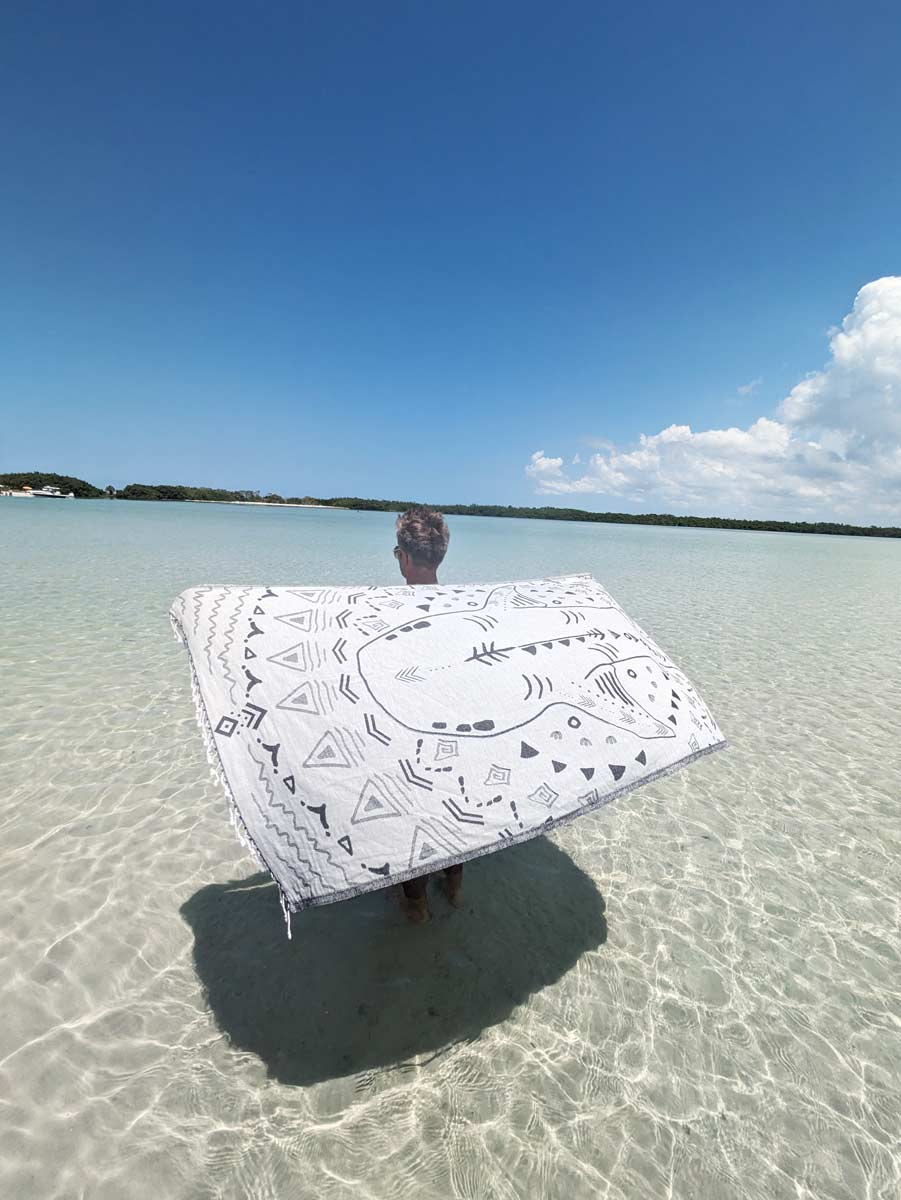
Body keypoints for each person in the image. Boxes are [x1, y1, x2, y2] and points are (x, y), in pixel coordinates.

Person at [393, 505, 463, 923]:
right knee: (455, 803)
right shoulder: (463, 609)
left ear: (402, 556)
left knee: (412, 817)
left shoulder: (387, 613)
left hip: (411, 732)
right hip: (456, 730)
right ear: (441, 556)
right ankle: (454, 885)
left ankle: (416, 904)